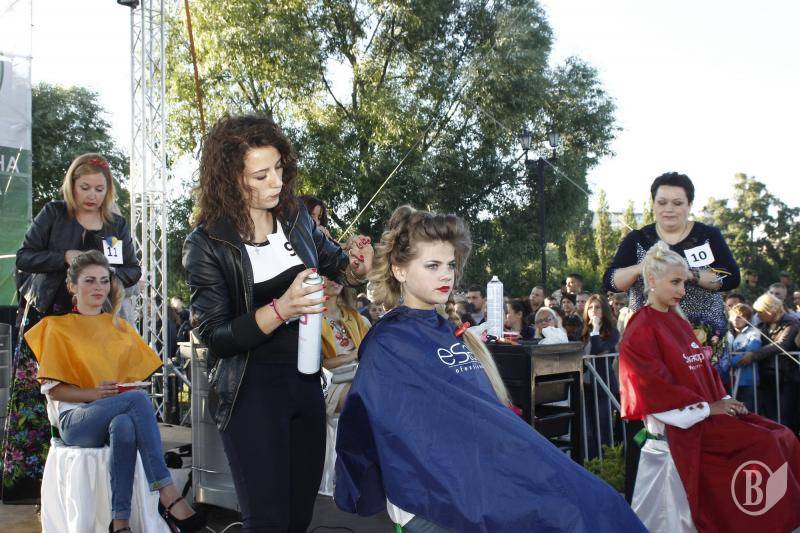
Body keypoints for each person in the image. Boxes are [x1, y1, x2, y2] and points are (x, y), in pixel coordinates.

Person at [334, 206, 646, 533]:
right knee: (569, 513)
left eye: (451, 265)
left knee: (595, 502)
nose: (446, 275)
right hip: (437, 497)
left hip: (477, 475)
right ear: (399, 270)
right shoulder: (389, 342)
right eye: (432, 266)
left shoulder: (449, 332)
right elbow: (377, 428)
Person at [182, 115, 373, 532]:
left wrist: (359, 266)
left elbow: (339, 265)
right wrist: (282, 308)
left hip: (305, 385)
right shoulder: (207, 243)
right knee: (267, 521)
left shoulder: (297, 218)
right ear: (230, 179)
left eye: (280, 169)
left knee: (298, 518)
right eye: (261, 175)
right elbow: (215, 336)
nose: (277, 183)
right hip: (248, 392)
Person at [619, 241, 800, 533]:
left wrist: (725, 400)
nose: (682, 291)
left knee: (783, 436)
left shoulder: (678, 322)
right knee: (765, 444)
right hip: (680, 430)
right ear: (651, 279)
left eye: (684, 283)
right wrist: (709, 407)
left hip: (703, 419)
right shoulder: (641, 328)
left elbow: (703, 373)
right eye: (675, 282)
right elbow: (652, 387)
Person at [26, 250, 204, 533]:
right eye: (89, 280)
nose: (98, 287)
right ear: (72, 286)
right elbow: (55, 392)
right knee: (137, 399)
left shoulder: (120, 328)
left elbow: (130, 383)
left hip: (112, 414)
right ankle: (168, 493)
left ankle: (120, 522)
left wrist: (119, 391)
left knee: (124, 425)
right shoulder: (55, 328)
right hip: (74, 422)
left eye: (103, 280)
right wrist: (95, 393)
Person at [3, 153, 141, 503]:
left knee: (96, 393)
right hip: (49, 321)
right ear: (72, 186)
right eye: (85, 187)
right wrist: (62, 257)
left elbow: (132, 270)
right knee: (40, 399)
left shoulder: (115, 225)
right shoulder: (53, 213)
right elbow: (25, 257)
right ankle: (31, 488)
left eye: (99, 189)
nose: (92, 195)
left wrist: (108, 276)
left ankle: (96, 485)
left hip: (96, 327)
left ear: (108, 190)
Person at [603, 172, 740, 334]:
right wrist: (641, 268)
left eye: (677, 203)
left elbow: (731, 278)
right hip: (649, 334)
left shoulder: (709, 235)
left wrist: (689, 275)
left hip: (703, 335)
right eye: (662, 202)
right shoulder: (636, 239)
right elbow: (610, 282)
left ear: (689, 205)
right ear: (654, 204)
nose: (669, 209)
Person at [319, 277, 371, 496]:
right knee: (365, 396)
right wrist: (352, 356)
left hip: (358, 377)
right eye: (328, 275)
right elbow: (318, 364)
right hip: (327, 383)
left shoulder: (354, 316)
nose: (335, 280)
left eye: (338, 275)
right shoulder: (309, 317)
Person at [737, 294, 800, 431]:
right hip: (766, 378)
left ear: (769, 311)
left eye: (760, 312)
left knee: (786, 417)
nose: (758, 315)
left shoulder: (792, 323)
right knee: (769, 416)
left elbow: (782, 344)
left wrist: (753, 355)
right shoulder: (761, 325)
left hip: (786, 377)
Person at [581, 294, 620, 459]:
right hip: (586, 387)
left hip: (604, 387)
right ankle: (592, 463)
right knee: (588, 431)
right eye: (590, 308)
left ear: (604, 310)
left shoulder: (613, 333)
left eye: (597, 307)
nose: (593, 311)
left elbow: (597, 350)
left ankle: (608, 464)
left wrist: (596, 328)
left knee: (604, 430)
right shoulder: (583, 332)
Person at [726, 303, 761, 413]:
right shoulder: (728, 334)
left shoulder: (754, 333)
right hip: (730, 380)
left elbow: (749, 353)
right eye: (734, 316)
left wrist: (728, 362)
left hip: (747, 380)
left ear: (748, 319)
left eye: (740, 317)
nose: (736, 319)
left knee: (748, 412)